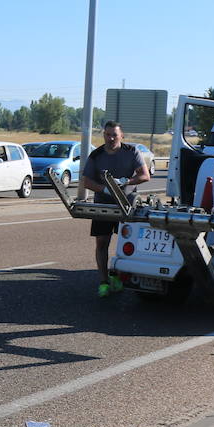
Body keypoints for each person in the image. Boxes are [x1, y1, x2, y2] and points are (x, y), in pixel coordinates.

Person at [80, 120, 149, 297]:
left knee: (126, 244)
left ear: (121, 136)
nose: (111, 138)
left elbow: (145, 175)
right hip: (103, 204)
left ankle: (118, 276)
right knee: (102, 243)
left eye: (114, 135)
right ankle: (103, 282)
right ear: (103, 135)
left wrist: (127, 181)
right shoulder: (96, 155)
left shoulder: (132, 151)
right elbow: (86, 181)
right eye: (107, 134)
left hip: (127, 205)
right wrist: (104, 189)